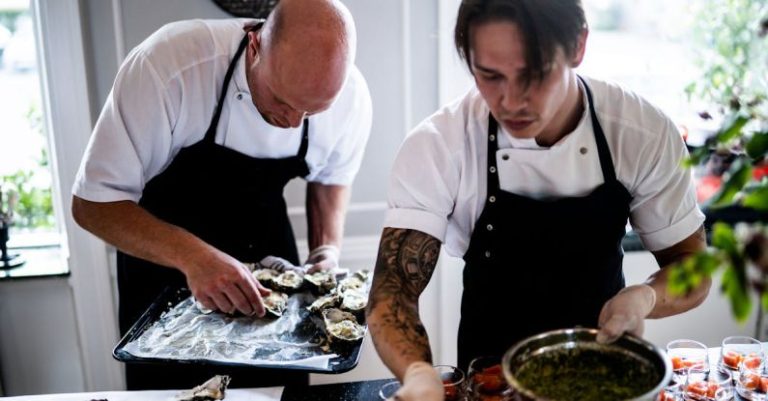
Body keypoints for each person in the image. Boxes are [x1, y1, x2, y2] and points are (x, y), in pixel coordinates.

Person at [366, 0, 710, 399]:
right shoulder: (440, 146)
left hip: (601, 376)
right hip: (491, 381)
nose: (511, 101)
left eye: (534, 74)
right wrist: (419, 374)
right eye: (489, 75)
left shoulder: (641, 132)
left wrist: (645, 296)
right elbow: (392, 292)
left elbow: (693, 268)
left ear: (578, 46)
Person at [71, 0, 371, 390]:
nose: (293, 121)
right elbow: (92, 204)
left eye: (312, 112)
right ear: (254, 46)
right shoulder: (168, 66)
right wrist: (194, 257)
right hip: (164, 269)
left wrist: (326, 251)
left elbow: (331, 178)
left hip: (267, 262)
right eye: (282, 101)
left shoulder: (351, 98)